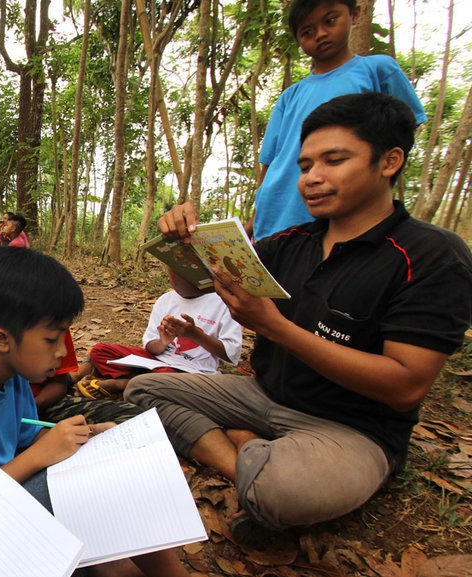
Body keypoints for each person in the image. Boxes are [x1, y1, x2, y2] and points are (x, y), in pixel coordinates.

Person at [128, 93, 472, 548]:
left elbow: (405, 385)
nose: (312, 178)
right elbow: (192, 288)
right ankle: (247, 456)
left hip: (350, 426)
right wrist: (181, 246)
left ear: (389, 161)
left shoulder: (432, 257)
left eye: (334, 160)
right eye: (306, 165)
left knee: (281, 494)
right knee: (142, 388)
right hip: (261, 393)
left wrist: (274, 326)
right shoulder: (287, 244)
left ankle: (266, 465)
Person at [0, 246, 188, 577]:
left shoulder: (12, 377)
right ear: (2, 339)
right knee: (96, 489)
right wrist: (39, 456)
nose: (63, 352)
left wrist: (86, 439)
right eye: (51, 339)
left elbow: (29, 438)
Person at [249, 0, 426, 241]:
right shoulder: (290, 96)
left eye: (330, 21)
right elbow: (270, 162)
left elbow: (405, 129)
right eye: (307, 32)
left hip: (337, 213)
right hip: (277, 214)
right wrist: (255, 218)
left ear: (355, 15)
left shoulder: (377, 70)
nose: (321, 34)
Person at [0, 304, 145, 426]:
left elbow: (27, 431)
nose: (62, 351)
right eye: (51, 341)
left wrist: (86, 433)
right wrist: (44, 452)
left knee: (137, 420)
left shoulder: (16, 378)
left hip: (35, 412)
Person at [72, 267, 242, 400]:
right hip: (157, 363)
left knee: (170, 381)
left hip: (191, 372)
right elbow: (151, 347)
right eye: (171, 271)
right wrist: (162, 342)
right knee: (100, 351)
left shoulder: (223, 303)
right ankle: (140, 381)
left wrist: (193, 334)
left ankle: (122, 384)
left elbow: (231, 355)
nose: (174, 278)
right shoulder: (165, 300)